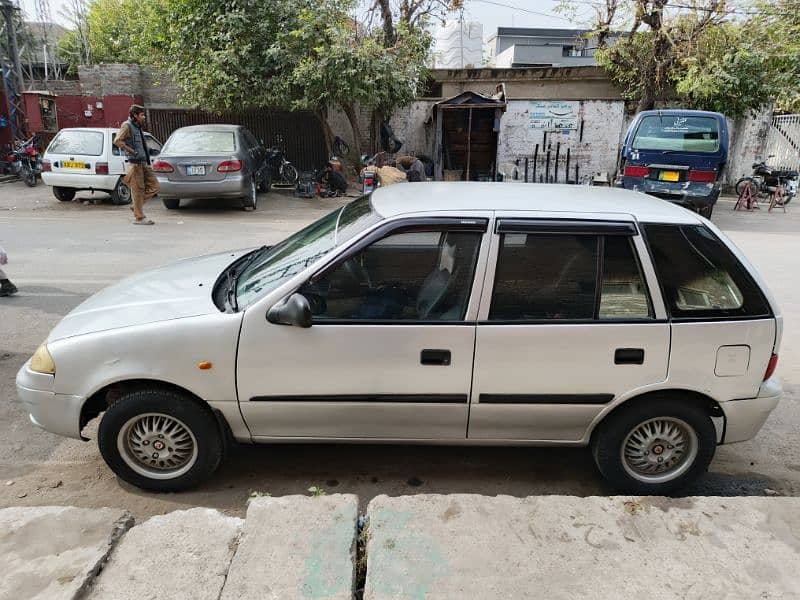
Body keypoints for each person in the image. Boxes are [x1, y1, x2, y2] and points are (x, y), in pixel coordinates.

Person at [114, 105, 159, 225]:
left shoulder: (137, 127)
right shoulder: (127, 125)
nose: (143, 117)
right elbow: (117, 141)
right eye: (142, 115)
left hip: (143, 163)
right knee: (137, 191)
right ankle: (139, 217)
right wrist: (132, 151)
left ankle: (136, 206)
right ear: (135, 115)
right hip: (135, 164)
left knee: (155, 186)